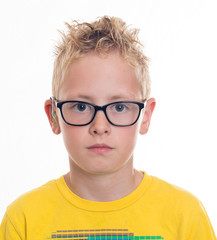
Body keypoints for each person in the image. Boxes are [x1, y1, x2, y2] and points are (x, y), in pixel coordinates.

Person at [0, 16, 216, 240]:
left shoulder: (185, 216)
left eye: (120, 107)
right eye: (81, 106)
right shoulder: (23, 219)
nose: (100, 127)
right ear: (53, 115)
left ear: (145, 116)